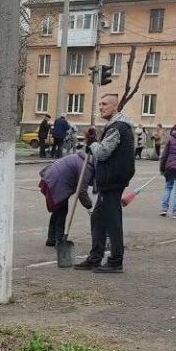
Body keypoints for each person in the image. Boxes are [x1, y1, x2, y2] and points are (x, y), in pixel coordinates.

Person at [76, 93, 135, 274]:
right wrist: (94, 143)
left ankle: (115, 261)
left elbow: (102, 153)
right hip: (111, 180)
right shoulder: (115, 126)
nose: (101, 107)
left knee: (112, 221)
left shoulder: (118, 127)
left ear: (115, 107)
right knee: (98, 219)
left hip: (112, 180)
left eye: (105, 104)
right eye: (100, 104)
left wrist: (93, 143)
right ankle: (95, 257)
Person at [38, 150, 94, 246]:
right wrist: (89, 206)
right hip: (56, 182)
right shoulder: (87, 167)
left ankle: (51, 239)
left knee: (57, 210)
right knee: (61, 212)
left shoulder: (83, 159)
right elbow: (81, 190)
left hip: (51, 176)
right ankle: (59, 241)